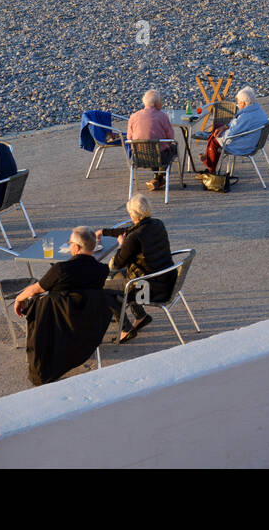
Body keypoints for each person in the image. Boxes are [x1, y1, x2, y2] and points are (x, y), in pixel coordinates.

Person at [13, 226, 113, 385]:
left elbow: (36, 289)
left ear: (76, 247)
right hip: (87, 320)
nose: (69, 244)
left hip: (60, 320)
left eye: (70, 242)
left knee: (37, 302)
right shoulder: (102, 270)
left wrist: (19, 298)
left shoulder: (61, 269)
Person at [99, 195, 176, 342]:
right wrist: (103, 232)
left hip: (147, 289)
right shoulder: (157, 224)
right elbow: (130, 230)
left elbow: (117, 265)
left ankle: (125, 329)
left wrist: (121, 245)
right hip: (166, 281)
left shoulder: (134, 238)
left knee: (103, 288)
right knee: (126, 275)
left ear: (132, 214)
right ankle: (140, 316)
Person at [127, 89, 178, 191]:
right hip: (160, 157)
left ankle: (157, 178)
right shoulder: (163, 116)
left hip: (139, 156)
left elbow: (129, 138)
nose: (162, 103)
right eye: (161, 101)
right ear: (156, 103)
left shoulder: (133, 116)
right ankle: (160, 177)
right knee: (172, 148)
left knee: (154, 148)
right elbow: (171, 137)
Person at [217, 86, 269, 161]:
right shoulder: (259, 110)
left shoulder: (245, 116)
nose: (237, 105)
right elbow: (238, 127)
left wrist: (220, 136)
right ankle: (208, 160)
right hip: (255, 142)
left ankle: (210, 166)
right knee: (218, 131)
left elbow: (231, 135)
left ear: (244, 103)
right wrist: (226, 126)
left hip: (245, 146)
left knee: (215, 138)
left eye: (238, 102)